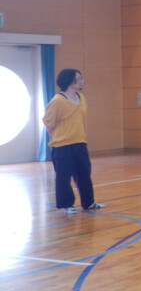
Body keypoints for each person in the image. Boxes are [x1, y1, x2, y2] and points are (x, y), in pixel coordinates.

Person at [42, 68, 103, 215]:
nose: (82, 81)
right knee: (63, 177)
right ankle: (67, 205)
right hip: (62, 146)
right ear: (70, 80)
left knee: (84, 174)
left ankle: (88, 202)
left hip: (80, 143)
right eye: (79, 78)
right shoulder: (57, 101)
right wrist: (62, 135)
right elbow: (49, 124)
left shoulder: (81, 98)